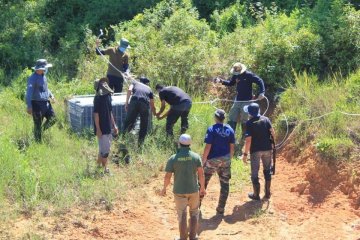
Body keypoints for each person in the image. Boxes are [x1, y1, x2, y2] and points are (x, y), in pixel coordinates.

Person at [161, 134, 206, 240]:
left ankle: (182, 238)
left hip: (179, 191)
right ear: (190, 144)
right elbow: (201, 174)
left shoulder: (173, 158)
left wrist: (164, 188)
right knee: (194, 212)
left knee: (182, 214)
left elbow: (168, 176)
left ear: (179, 144)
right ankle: (193, 236)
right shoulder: (196, 157)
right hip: (193, 190)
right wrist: (202, 188)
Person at [215, 62, 265, 145]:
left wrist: (262, 92)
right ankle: (230, 136)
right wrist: (221, 81)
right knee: (231, 117)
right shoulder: (236, 75)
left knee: (244, 119)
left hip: (247, 101)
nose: (237, 74)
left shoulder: (249, 75)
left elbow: (260, 81)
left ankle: (244, 138)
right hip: (237, 100)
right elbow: (231, 83)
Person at [201, 109, 235, 215]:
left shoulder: (211, 129)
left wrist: (203, 160)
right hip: (225, 160)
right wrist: (229, 159)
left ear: (216, 117)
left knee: (203, 182)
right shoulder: (230, 129)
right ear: (224, 118)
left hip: (212, 160)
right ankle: (221, 209)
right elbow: (232, 147)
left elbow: (208, 146)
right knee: (225, 184)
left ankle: (196, 205)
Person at [242, 103, 275, 200]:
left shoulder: (249, 123)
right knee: (267, 170)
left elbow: (248, 140)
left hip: (255, 151)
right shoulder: (266, 119)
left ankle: (256, 195)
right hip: (267, 149)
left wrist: (245, 154)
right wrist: (273, 145)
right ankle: (267, 193)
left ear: (250, 113)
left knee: (255, 172)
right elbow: (272, 132)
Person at [26, 59, 56, 142]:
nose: (46, 70)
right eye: (45, 68)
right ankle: (37, 142)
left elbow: (46, 88)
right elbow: (28, 93)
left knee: (53, 118)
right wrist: (29, 106)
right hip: (36, 104)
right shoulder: (32, 78)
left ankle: (40, 131)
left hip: (46, 103)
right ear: (40, 68)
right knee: (37, 124)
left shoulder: (44, 76)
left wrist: (51, 95)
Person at [93, 77, 119, 174]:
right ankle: (105, 170)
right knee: (106, 150)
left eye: (105, 82)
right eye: (102, 83)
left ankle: (97, 167)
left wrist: (114, 125)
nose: (104, 84)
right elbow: (96, 114)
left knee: (103, 149)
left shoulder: (108, 96)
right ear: (98, 86)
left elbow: (110, 111)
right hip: (102, 128)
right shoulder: (97, 98)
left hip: (108, 126)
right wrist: (98, 130)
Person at [123, 77, 156, 145]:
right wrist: (154, 113)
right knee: (144, 124)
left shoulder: (135, 83)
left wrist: (126, 103)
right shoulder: (149, 89)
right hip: (144, 103)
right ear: (147, 83)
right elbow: (152, 103)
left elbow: (129, 90)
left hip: (134, 101)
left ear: (140, 80)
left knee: (129, 121)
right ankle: (140, 144)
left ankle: (124, 139)